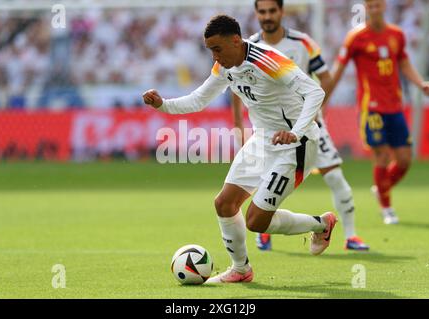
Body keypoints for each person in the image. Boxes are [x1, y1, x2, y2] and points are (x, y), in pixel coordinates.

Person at [143, 15, 337, 284]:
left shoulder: (268, 60)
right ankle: (241, 269)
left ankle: (322, 224)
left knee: (256, 221)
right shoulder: (224, 66)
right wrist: (162, 105)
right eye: (210, 50)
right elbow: (199, 100)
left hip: (297, 145)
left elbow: (315, 92)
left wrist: (295, 132)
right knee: (224, 203)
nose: (214, 56)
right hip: (263, 141)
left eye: (217, 49)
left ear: (236, 40)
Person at [233, 0, 368, 252]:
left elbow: (325, 78)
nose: (267, 16)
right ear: (256, 14)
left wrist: (315, 111)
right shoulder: (249, 46)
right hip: (273, 131)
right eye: (262, 12)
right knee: (262, 181)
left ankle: (351, 235)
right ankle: (264, 232)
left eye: (272, 11)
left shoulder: (303, 42)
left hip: (309, 125)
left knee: (336, 176)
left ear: (282, 12)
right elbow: (234, 86)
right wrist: (238, 124)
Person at [329, 0, 429, 224]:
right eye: (371, 6)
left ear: (384, 6)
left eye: (378, 5)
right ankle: (387, 208)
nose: (375, 9)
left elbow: (404, 62)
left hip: (395, 106)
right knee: (383, 156)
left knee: (405, 160)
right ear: (366, 8)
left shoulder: (396, 34)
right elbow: (338, 70)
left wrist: (420, 83)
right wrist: (323, 97)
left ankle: (381, 189)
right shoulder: (356, 38)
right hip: (371, 108)